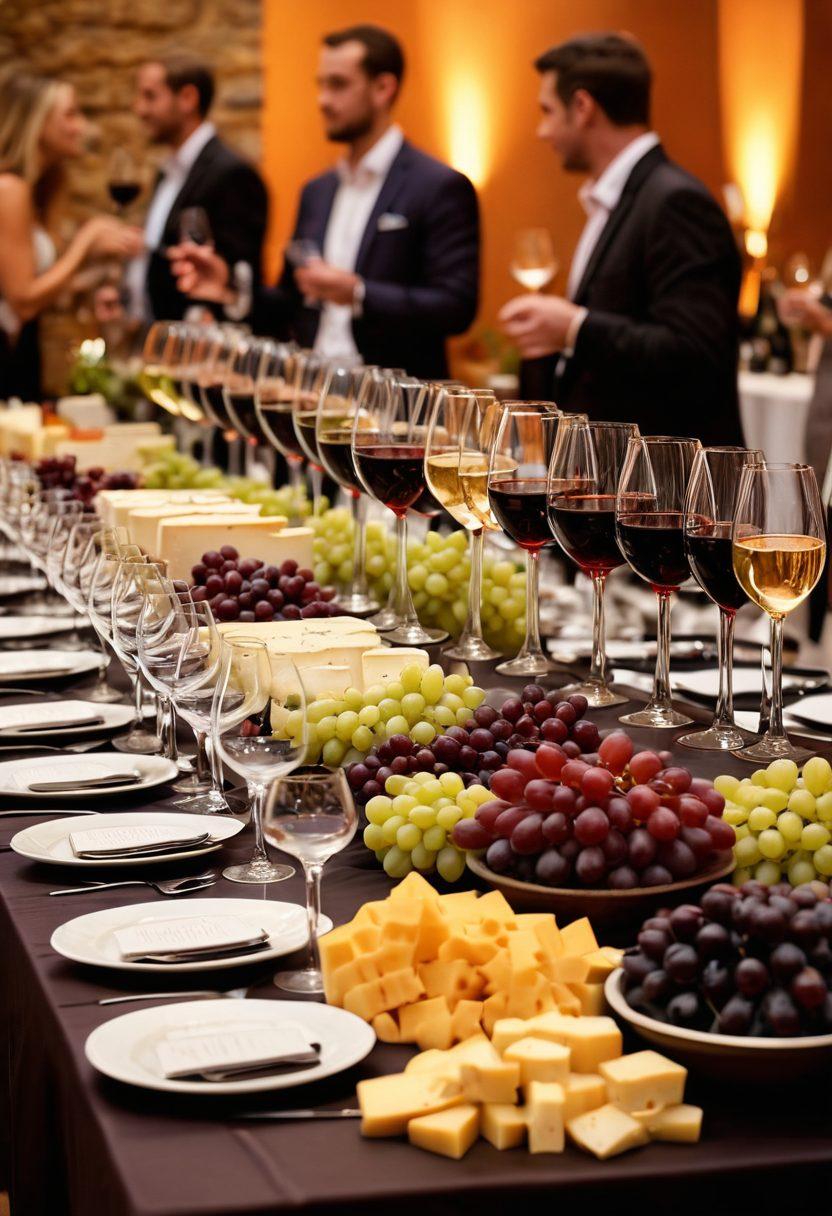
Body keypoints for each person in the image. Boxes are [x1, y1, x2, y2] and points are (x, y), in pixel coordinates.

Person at [170, 25, 480, 379]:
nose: (323, 100)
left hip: (395, 400)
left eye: (338, 85)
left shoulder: (437, 185)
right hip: (313, 394)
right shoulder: (317, 191)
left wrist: (358, 293)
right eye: (321, 85)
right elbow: (290, 303)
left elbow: (456, 307)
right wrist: (229, 288)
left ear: (383, 88)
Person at [499, 33, 742, 445]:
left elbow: (696, 352)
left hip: (662, 474)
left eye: (547, 111)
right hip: (611, 465)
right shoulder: (616, 198)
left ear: (582, 107)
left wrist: (574, 327)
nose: (541, 131)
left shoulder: (675, 201)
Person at [0, 67, 141, 400]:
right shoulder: (9, 189)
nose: (83, 127)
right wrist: (85, 242)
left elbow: (47, 288)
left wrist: (96, 268)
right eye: (71, 114)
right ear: (37, 122)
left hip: (22, 351)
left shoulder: (42, 188)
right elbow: (22, 300)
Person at [127, 53, 268, 324]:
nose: (139, 109)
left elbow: (241, 282)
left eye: (150, 96)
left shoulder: (232, 174)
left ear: (187, 98)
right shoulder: (166, 172)